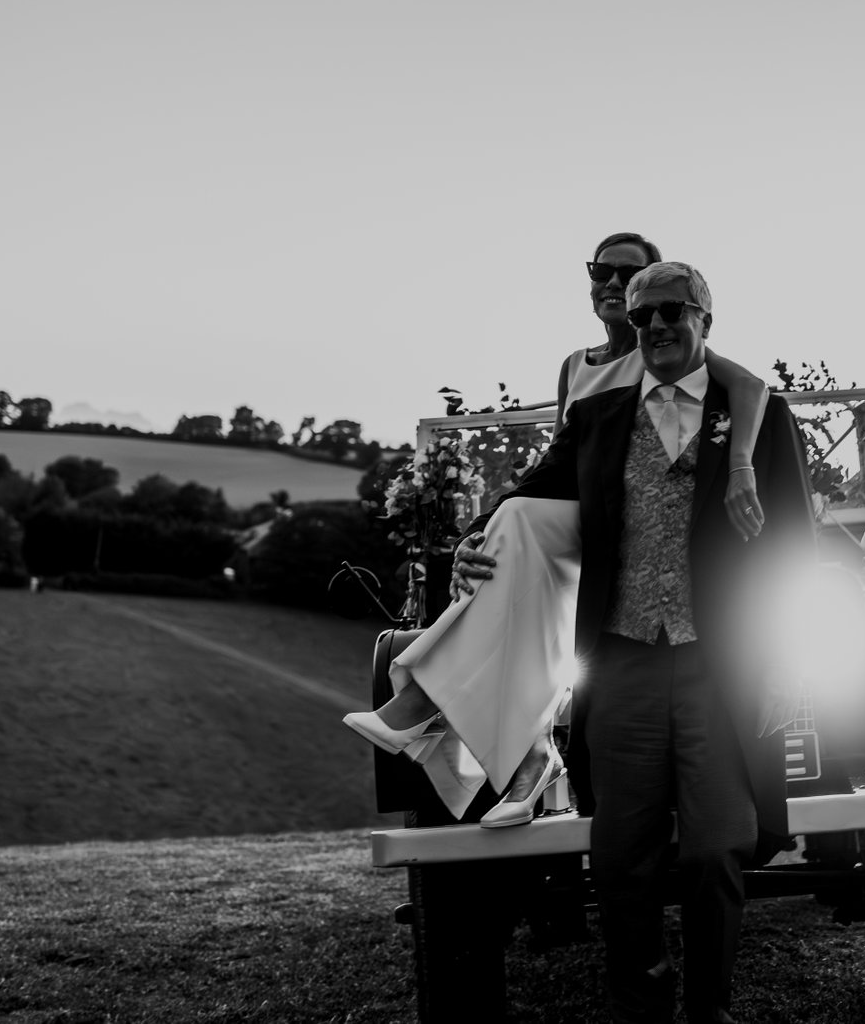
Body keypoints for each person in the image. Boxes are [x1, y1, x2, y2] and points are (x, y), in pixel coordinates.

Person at [455, 261, 815, 1024]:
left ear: (706, 322)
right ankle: (641, 1009)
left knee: (719, 843)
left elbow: (793, 549)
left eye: (675, 311)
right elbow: (526, 498)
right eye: (645, 314)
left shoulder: (757, 417)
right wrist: (471, 538)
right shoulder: (598, 418)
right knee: (622, 860)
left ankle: (710, 1008)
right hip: (621, 667)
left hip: (721, 670)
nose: (656, 325)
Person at [342, 233, 776, 825]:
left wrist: (742, 465)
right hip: (581, 513)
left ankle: (432, 704)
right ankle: (529, 752)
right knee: (515, 534)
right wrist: (478, 531)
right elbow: (558, 461)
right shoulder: (575, 365)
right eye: (600, 270)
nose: (613, 284)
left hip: (640, 521)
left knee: (520, 528)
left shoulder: (667, 345)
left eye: (630, 274)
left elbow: (752, 389)